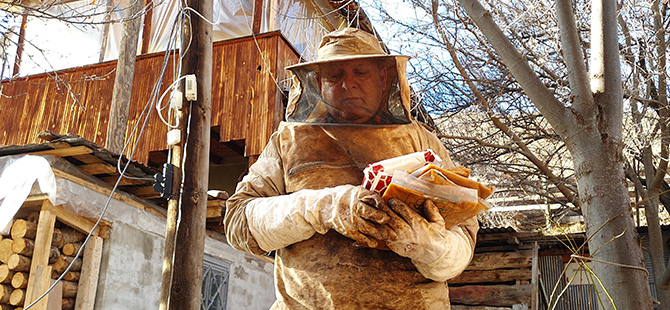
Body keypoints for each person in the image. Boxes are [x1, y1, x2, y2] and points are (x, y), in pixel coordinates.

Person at [224, 27, 479, 309]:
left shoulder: (422, 141)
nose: (348, 84)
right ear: (319, 84)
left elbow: (463, 241)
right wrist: (323, 207)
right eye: (335, 76)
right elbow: (238, 224)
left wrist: (430, 246)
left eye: (360, 72)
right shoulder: (290, 140)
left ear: (383, 77)